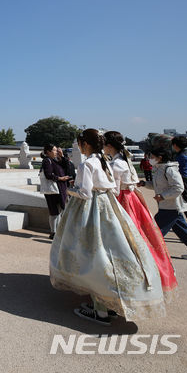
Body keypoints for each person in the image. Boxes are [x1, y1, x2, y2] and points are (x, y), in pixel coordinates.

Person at [50, 129, 165, 326]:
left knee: (92, 255)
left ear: (85, 144)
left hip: (89, 209)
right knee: (112, 252)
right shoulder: (105, 162)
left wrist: (70, 188)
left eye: (79, 143)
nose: (79, 147)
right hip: (109, 207)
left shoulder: (87, 164)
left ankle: (100, 311)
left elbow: (85, 193)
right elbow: (113, 187)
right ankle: (107, 305)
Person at [104, 131, 178, 296]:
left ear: (109, 146)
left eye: (104, 145)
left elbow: (115, 191)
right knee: (143, 237)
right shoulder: (125, 160)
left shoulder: (116, 164)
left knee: (130, 240)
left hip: (124, 200)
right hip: (132, 199)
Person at [149, 147, 187, 260]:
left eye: (152, 157)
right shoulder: (159, 169)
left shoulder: (169, 170)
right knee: (183, 230)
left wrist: (163, 196)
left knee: (155, 230)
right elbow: (158, 185)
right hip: (168, 206)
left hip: (170, 206)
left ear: (160, 158)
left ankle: (148, 253)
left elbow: (178, 187)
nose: (150, 159)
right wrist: (144, 183)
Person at [40, 144, 70, 239]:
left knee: (59, 210)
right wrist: (60, 178)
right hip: (53, 190)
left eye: (57, 150)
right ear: (48, 152)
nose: (56, 152)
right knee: (54, 211)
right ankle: (53, 232)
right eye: (54, 150)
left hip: (59, 189)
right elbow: (48, 175)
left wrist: (62, 156)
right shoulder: (47, 161)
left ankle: (57, 231)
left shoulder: (55, 160)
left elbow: (67, 166)